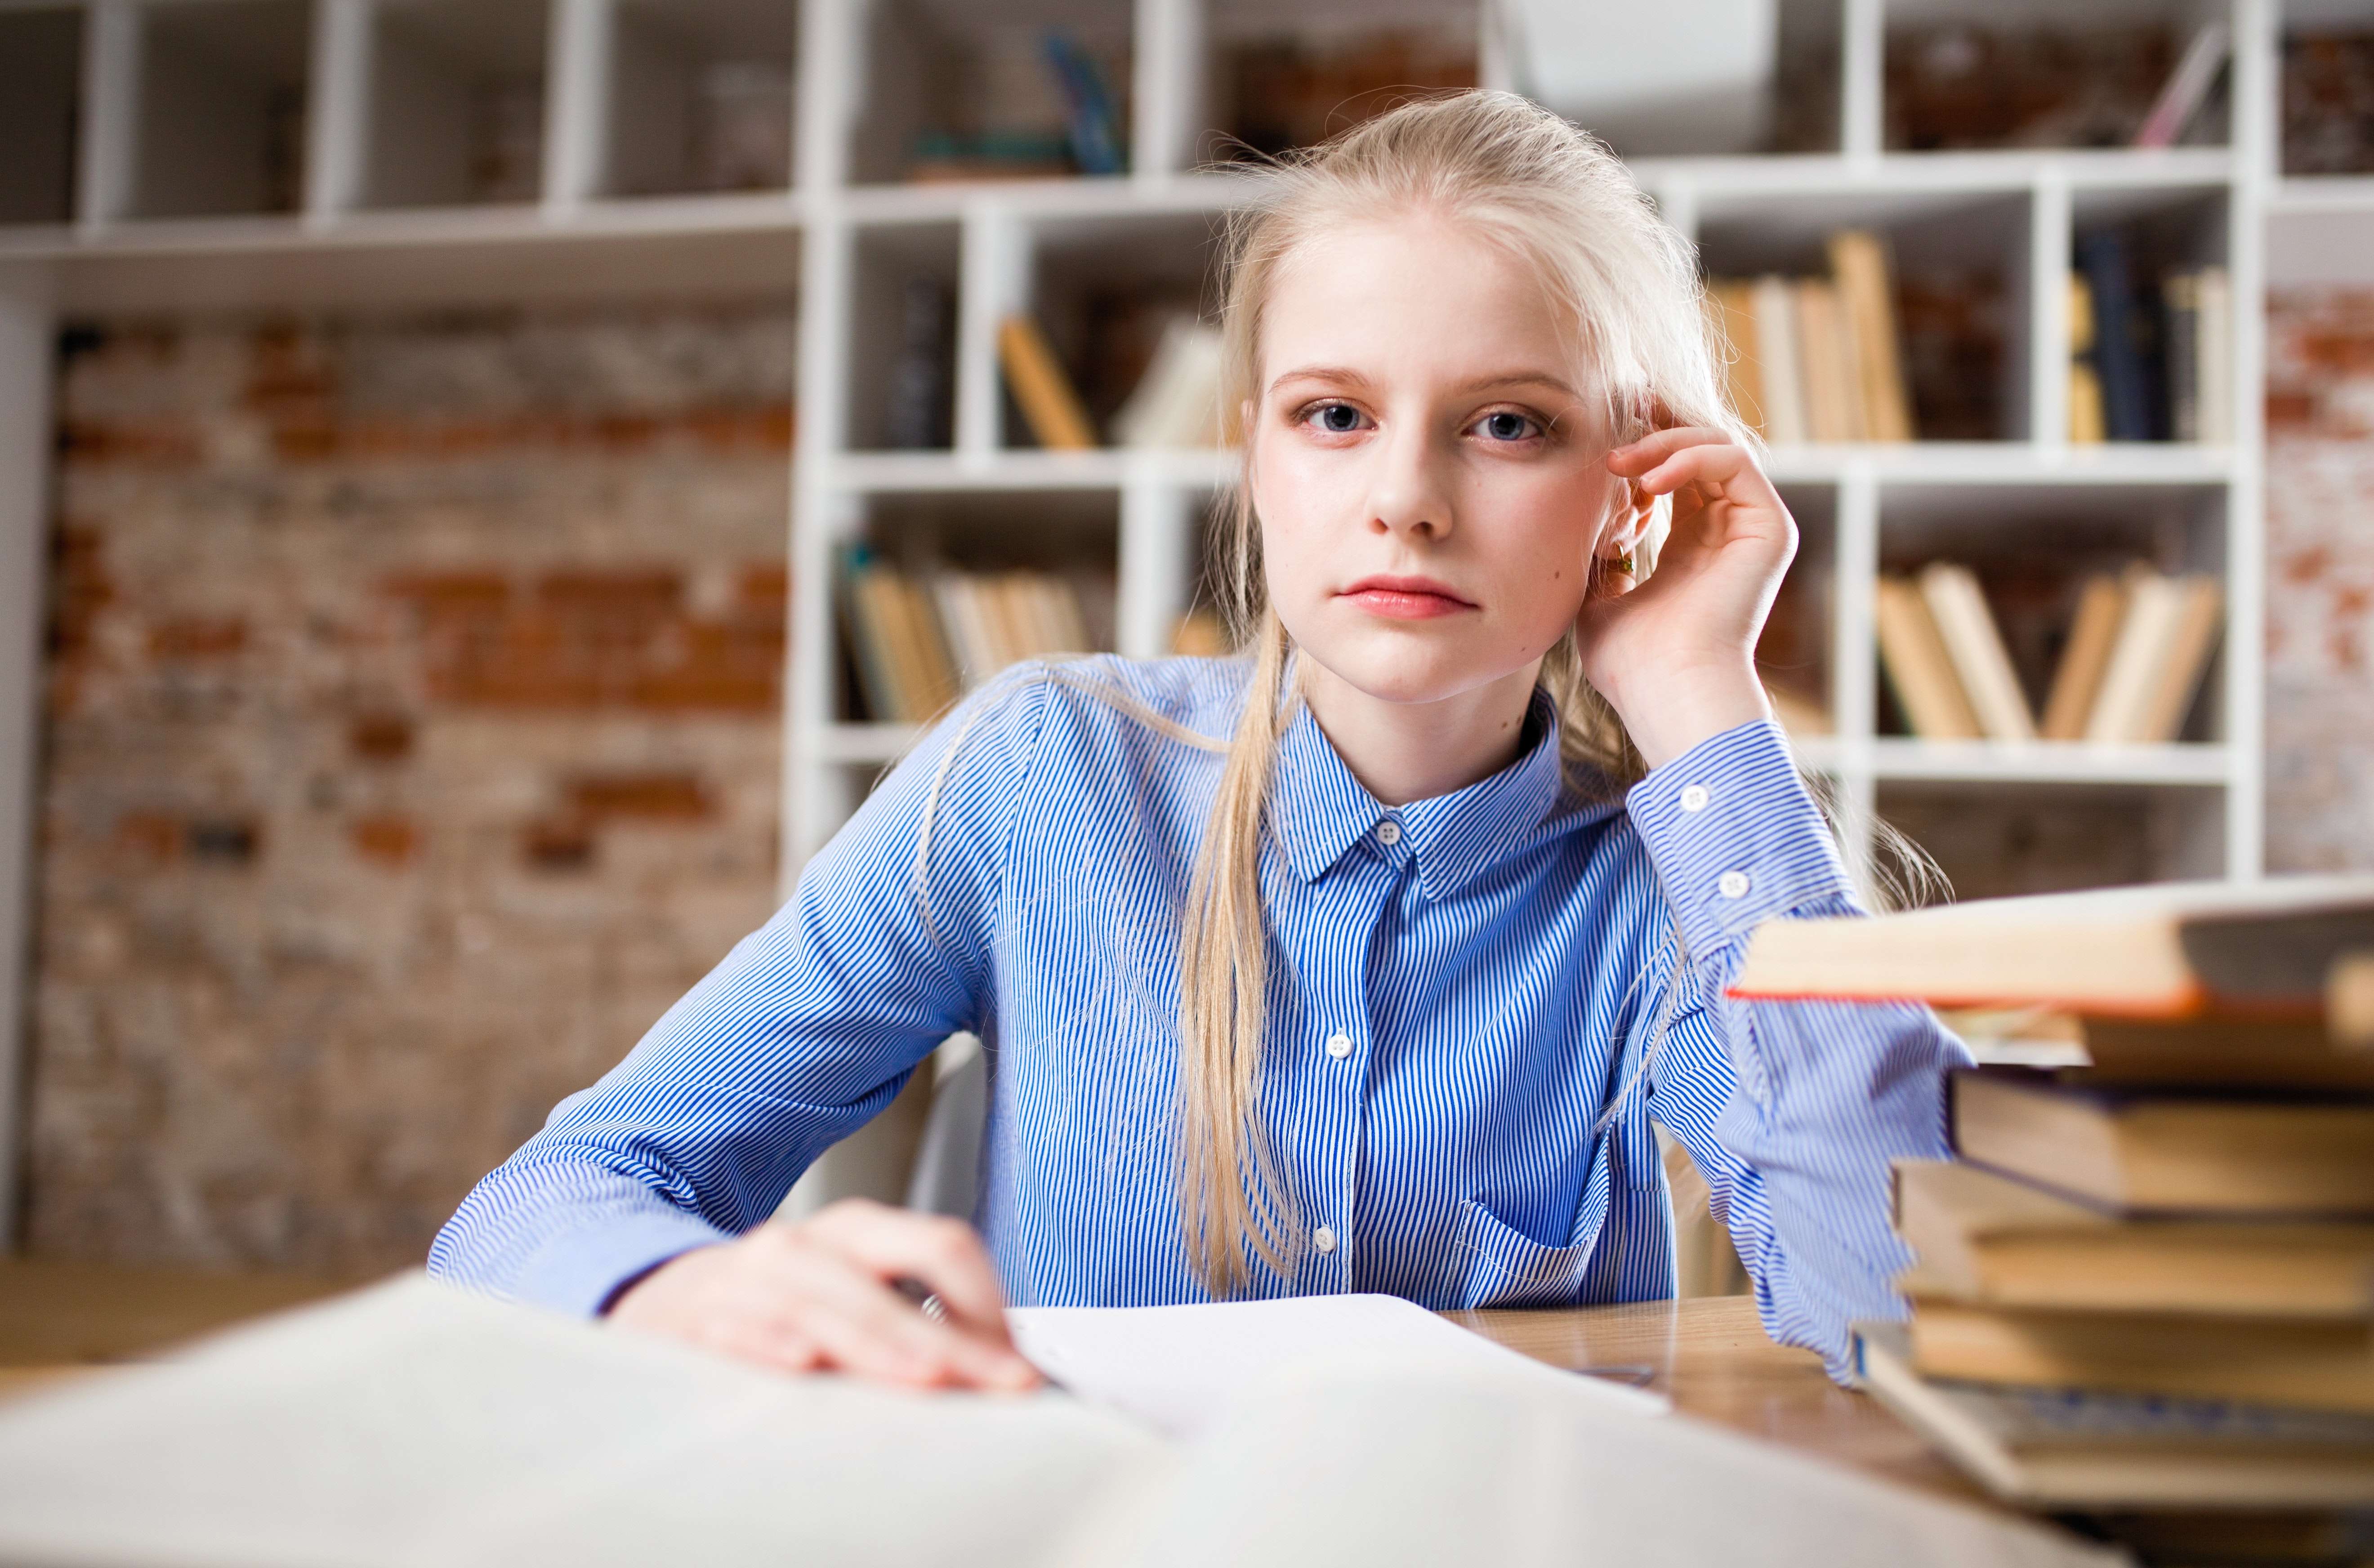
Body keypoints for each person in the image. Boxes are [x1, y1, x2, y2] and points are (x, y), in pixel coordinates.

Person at [430, 90, 1957, 1393]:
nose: (1406, 499)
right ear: (1252, 453)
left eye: (1507, 424)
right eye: (1334, 415)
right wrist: (685, 1293)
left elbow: (1896, 1305)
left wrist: (1697, 690)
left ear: (1629, 485)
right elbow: (545, 1201)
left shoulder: (1663, 884)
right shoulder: (1044, 775)